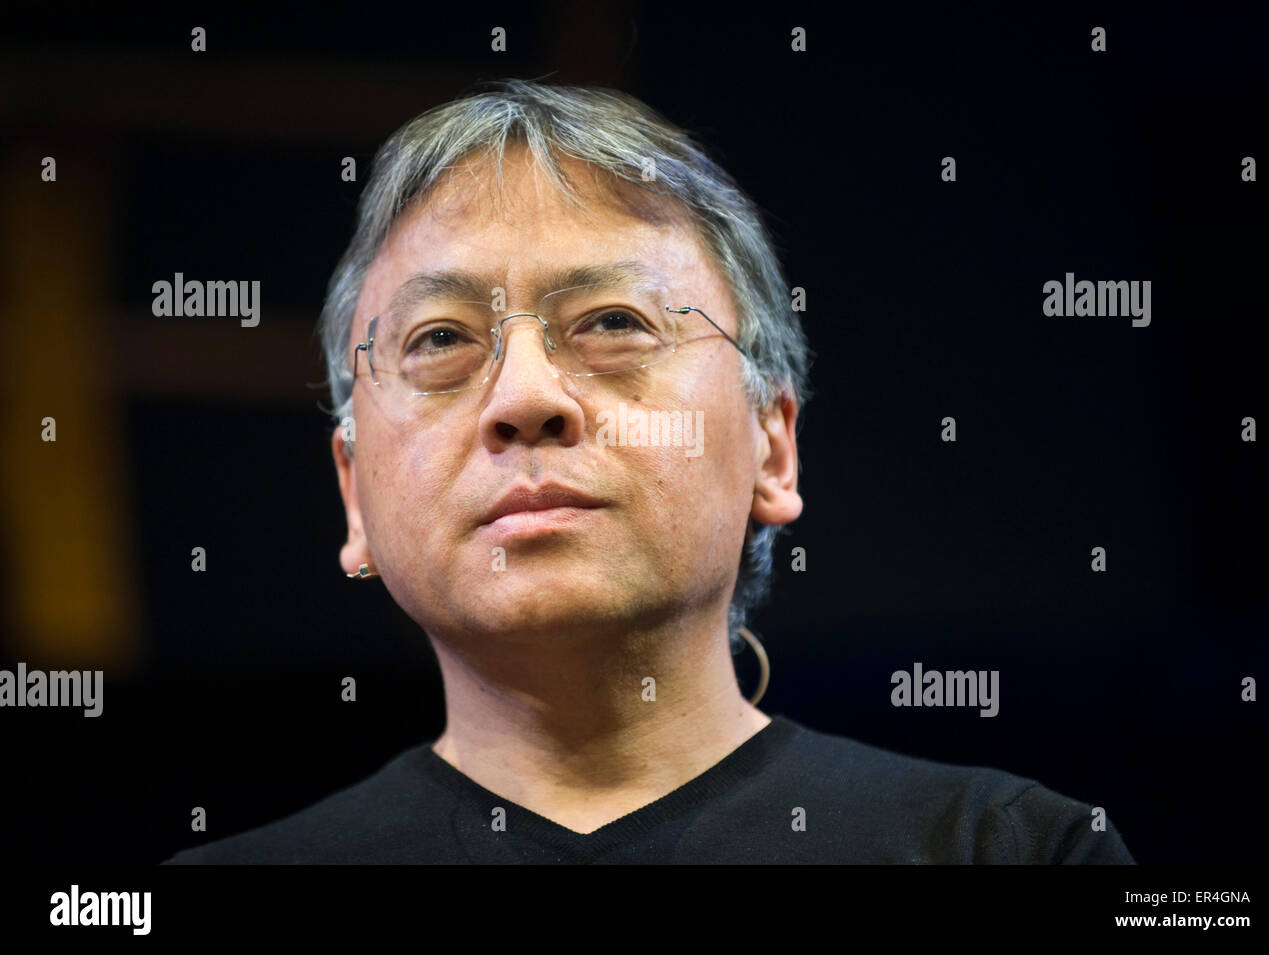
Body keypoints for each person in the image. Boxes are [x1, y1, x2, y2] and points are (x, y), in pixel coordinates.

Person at [165, 79, 1134, 864]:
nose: (525, 398)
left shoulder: (1006, 850)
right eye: (441, 338)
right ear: (353, 493)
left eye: (613, 323)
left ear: (770, 442)